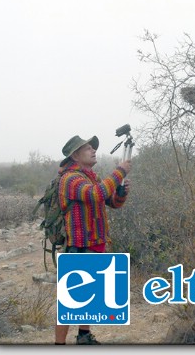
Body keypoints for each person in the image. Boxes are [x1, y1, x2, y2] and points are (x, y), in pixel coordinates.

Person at [54, 135, 132, 345]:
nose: (93, 150)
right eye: (88, 148)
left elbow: (112, 202)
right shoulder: (70, 179)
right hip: (79, 246)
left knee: (90, 296)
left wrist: (121, 193)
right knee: (69, 301)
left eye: (92, 148)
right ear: (75, 155)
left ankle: (84, 337)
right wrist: (120, 172)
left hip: (96, 243)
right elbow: (95, 194)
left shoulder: (91, 176)